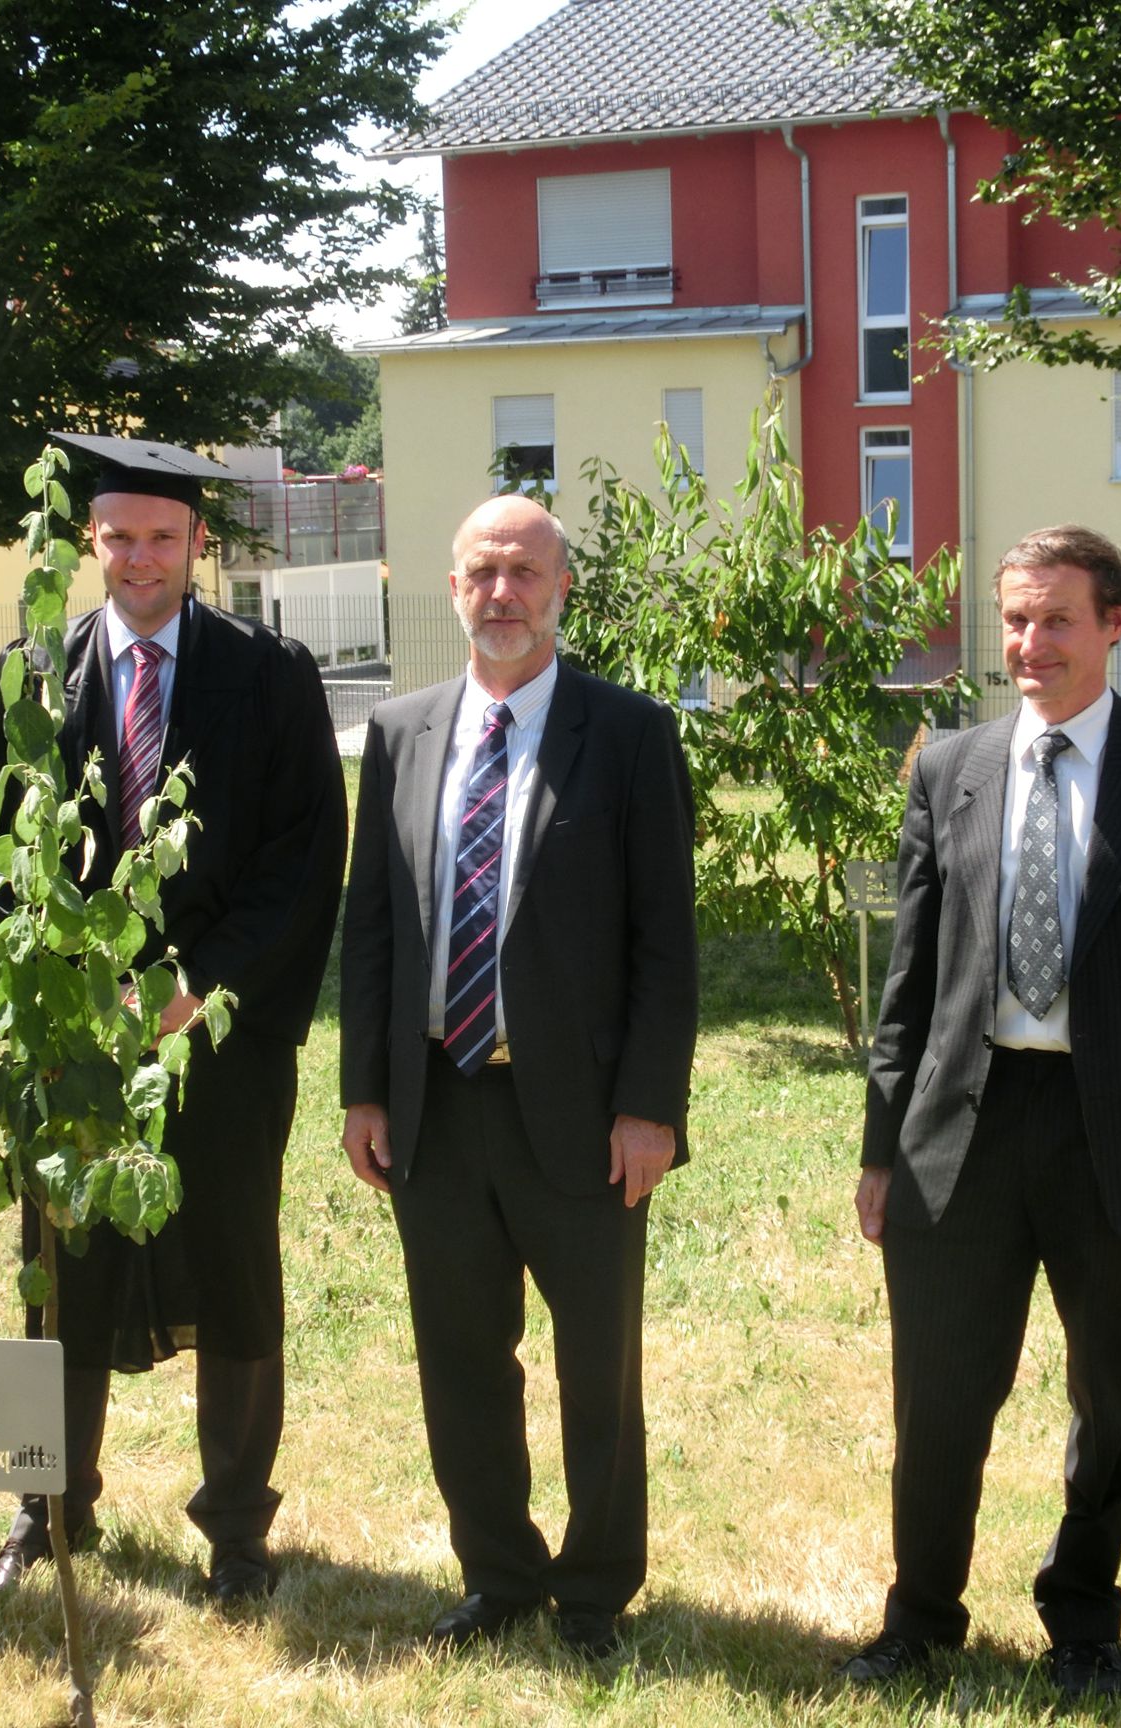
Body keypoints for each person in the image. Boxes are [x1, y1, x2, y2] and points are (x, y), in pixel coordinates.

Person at [842, 525, 1121, 1698]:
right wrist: (882, 1150)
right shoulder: (950, 767)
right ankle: (921, 1615)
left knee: (1110, 1394)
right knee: (937, 1392)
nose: (1029, 643)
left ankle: (1083, 1620)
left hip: (1117, 1133)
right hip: (958, 1130)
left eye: (1056, 619)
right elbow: (908, 983)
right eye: (1015, 620)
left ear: (1117, 623)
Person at [0, 434, 345, 1602]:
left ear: (196, 545)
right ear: (90, 542)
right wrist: (44, 1005)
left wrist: (196, 985)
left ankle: (236, 1531)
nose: (140, 557)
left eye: (162, 537)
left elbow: (303, 857)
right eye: (118, 536)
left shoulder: (269, 675)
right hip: (70, 1046)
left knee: (233, 1264)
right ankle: (50, 1510)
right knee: (61, 1271)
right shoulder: (29, 675)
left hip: (218, 1038)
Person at [338, 494, 697, 1660]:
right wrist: (367, 1092)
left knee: (600, 1367)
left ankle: (593, 1591)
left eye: (524, 574)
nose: (502, 594)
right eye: (481, 574)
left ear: (561, 592)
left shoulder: (630, 733)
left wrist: (650, 1108)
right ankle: (496, 1572)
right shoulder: (400, 732)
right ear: (452, 589)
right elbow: (376, 927)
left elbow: (664, 942)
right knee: (459, 1361)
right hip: (438, 1108)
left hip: (584, 1118)